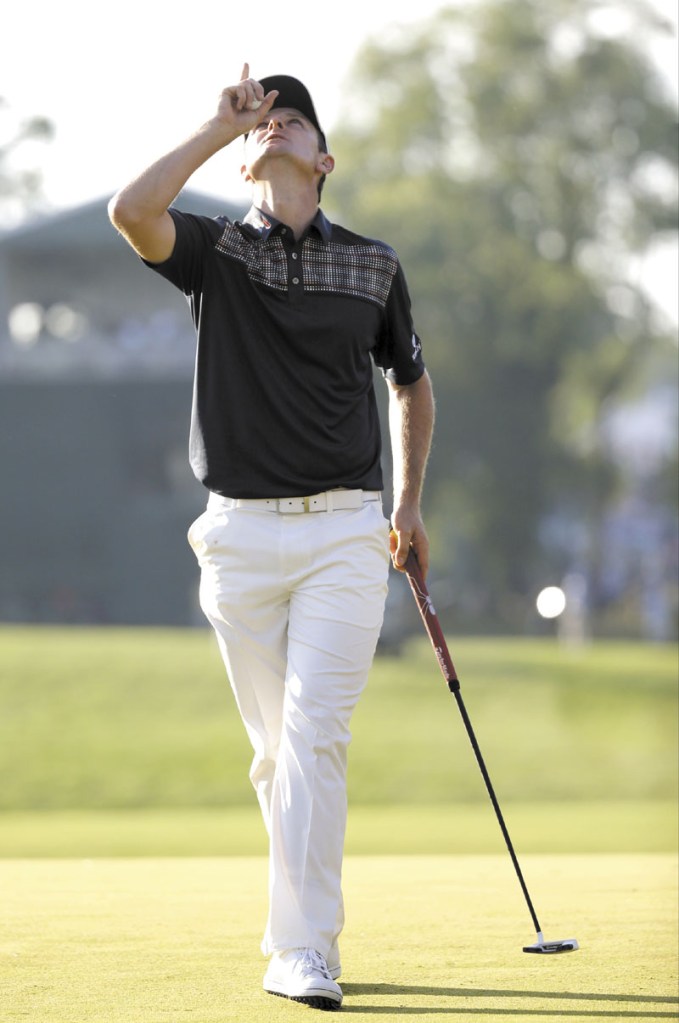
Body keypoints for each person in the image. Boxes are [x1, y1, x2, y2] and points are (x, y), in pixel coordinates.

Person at [108, 64, 434, 1012]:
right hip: (239, 538)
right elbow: (134, 210)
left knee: (312, 740)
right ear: (251, 159)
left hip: (344, 531)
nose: (276, 125)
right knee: (275, 755)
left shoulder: (373, 264)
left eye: (293, 120)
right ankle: (299, 930)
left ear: (323, 158)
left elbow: (407, 382)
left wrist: (406, 505)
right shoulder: (214, 250)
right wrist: (220, 128)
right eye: (266, 119)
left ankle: (300, 949)